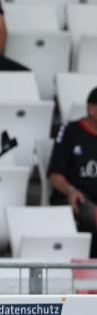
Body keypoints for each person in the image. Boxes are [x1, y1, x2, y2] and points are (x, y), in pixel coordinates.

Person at [48, 87, 97, 257]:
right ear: (92, 109)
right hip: (76, 198)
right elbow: (55, 175)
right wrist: (71, 191)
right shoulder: (70, 131)